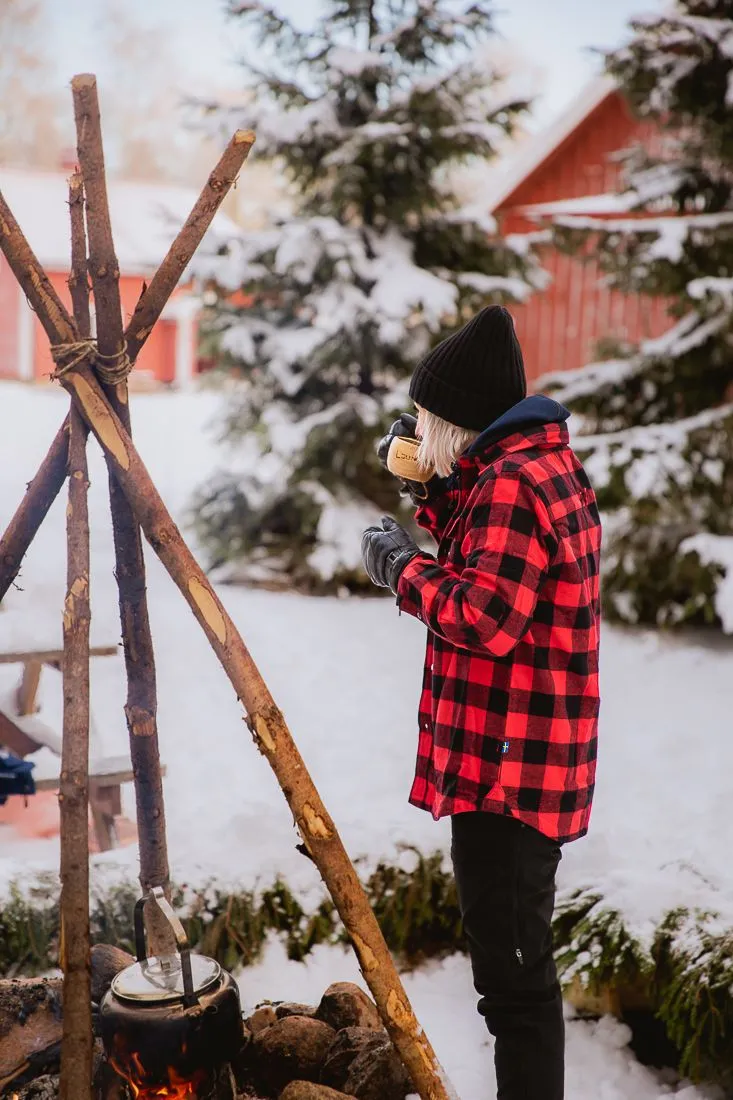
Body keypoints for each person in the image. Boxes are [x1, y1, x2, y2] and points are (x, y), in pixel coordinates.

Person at [361, 305, 601, 1100]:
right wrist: (425, 491)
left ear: (457, 419)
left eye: (429, 418)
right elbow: (492, 561)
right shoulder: (534, 467)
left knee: (514, 987)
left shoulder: (509, 484)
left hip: (508, 775)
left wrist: (401, 568)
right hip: (524, 764)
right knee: (516, 973)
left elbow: (483, 615)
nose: (419, 429)